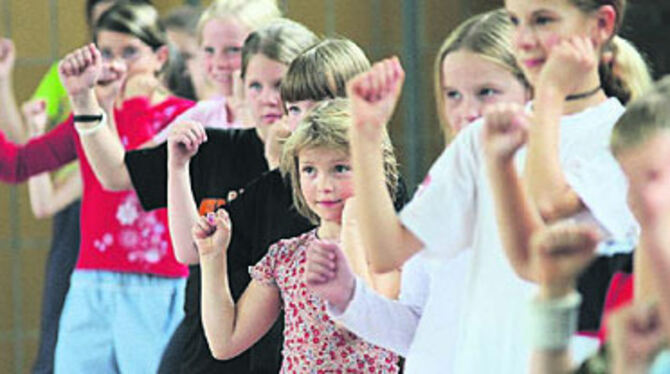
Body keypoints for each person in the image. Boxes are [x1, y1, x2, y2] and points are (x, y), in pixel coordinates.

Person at [340, 0, 650, 372]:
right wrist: (367, 133)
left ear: (601, 24)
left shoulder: (628, 137)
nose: (524, 39)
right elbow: (388, 250)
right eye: (516, 21)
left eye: (543, 20)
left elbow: (547, 207)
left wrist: (550, 92)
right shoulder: (482, 137)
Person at [0, 3, 196, 372]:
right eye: (106, 53)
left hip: (158, 286)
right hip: (90, 283)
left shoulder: (186, 116)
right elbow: (17, 165)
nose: (116, 64)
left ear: (160, 57)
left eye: (130, 52)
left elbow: (133, 175)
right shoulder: (89, 117)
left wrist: (127, 102)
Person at [195, 98, 399, 372]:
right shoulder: (286, 256)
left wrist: (351, 226)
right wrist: (212, 257)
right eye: (309, 170)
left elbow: (356, 317)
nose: (324, 185)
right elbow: (225, 342)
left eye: (340, 168)